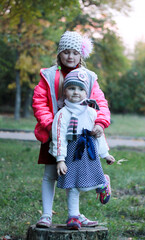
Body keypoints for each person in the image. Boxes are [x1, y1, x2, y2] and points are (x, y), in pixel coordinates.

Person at [32, 31, 111, 228]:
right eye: (66, 52)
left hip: (78, 137)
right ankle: (46, 215)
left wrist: (100, 123)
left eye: (75, 52)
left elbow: (100, 102)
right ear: (59, 54)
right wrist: (52, 127)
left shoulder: (89, 77)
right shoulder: (50, 75)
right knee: (50, 174)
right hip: (53, 134)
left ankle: (74, 214)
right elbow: (40, 102)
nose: (70, 56)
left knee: (72, 175)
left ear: (81, 55)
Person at [49, 69, 115, 229]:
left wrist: (105, 154)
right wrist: (60, 159)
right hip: (71, 154)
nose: (76, 92)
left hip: (89, 151)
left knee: (89, 180)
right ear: (64, 91)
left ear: (86, 92)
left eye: (80, 89)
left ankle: (102, 183)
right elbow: (59, 138)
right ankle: (73, 216)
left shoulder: (92, 112)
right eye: (71, 88)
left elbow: (99, 135)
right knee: (72, 185)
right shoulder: (62, 114)